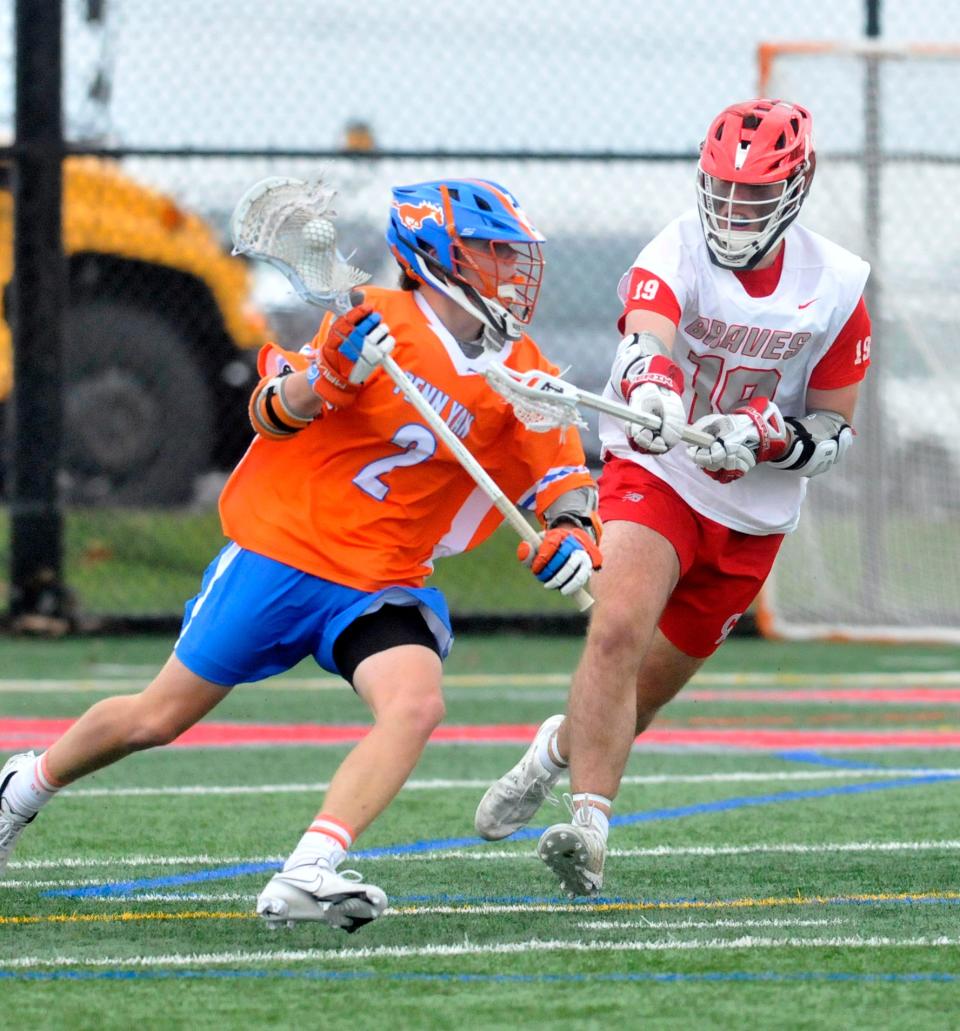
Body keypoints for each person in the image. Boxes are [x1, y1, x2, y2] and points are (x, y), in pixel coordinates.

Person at [0, 178, 602, 932]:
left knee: (415, 704)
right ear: (440, 254)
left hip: (381, 579)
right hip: (282, 555)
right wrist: (329, 377)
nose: (510, 267)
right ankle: (23, 788)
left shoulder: (519, 364)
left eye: (512, 252)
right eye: (491, 249)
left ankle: (307, 868)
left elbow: (561, 475)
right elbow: (268, 415)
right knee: (154, 719)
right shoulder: (369, 322)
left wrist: (573, 534)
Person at [475, 98, 872, 897]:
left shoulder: (836, 286)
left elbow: (833, 433)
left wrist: (766, 437)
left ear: (797, 186)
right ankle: (588, 830)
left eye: (754, 195)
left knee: (640, 695)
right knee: (616, 629)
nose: (733, 209)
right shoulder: (676, 248)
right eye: (723, 189)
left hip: (752, 517)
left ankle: (554, 752)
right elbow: (646, 336)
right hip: (661, 473)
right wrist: (654, 388)